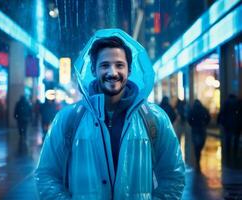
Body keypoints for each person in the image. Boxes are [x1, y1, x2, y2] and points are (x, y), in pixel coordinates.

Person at [35, 29, 185, 199]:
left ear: (129, 70)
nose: (113, 73)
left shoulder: (154, 118)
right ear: (93, 70)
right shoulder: (68, 119)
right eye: (105, 65)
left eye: (119, 65)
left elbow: (174, 176)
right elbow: (46, 175)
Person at [217, 94, 241, 165]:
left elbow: (222, 112)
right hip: (237, 123)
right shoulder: (238, 102)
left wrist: (218, 121)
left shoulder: (226, 102)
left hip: (228, 123)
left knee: (228, 137)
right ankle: (235, 152)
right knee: (236, 138)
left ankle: (228, 152)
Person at [188, 99, 210, 172]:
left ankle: (198, 155)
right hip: (202, 128)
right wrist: (205, 123)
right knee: (201, 142)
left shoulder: (192, 110)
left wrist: (192, 124)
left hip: (195, 129)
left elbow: (189, 119)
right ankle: (198, 153)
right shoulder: (203, 109)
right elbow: (208, 117)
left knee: (196, 144)